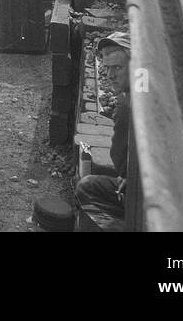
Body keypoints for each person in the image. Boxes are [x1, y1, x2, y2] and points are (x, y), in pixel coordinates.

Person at [74, 32, 132, 231]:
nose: (109, 76)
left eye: (117, 68)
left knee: (87, 189)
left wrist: (127, 175)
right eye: (107, 68)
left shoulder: (127, 105)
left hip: (147, 194)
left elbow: (119, 157)